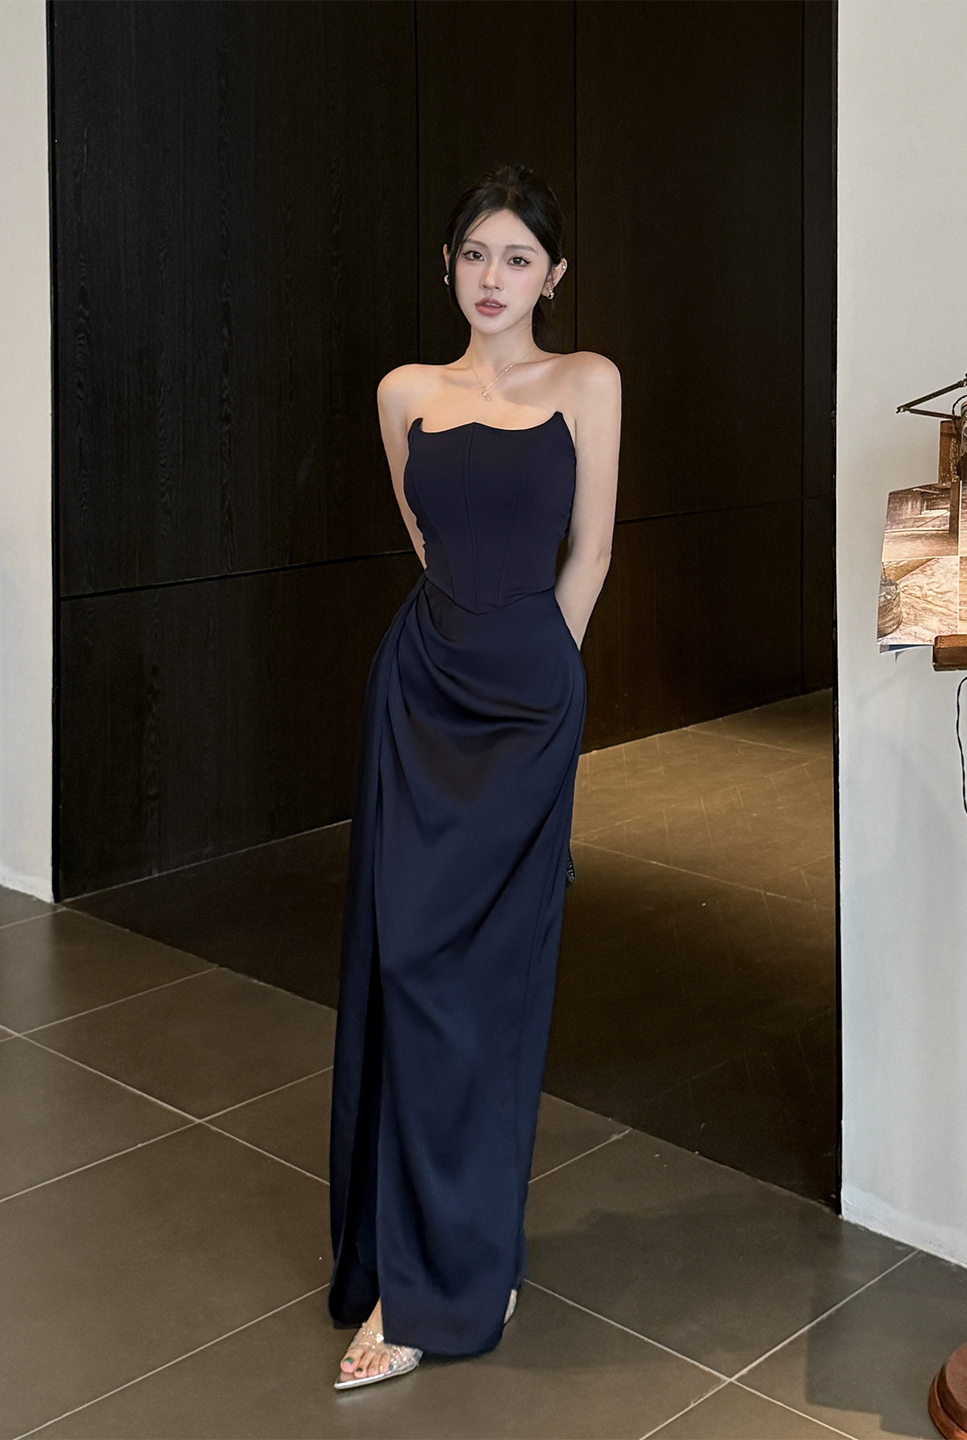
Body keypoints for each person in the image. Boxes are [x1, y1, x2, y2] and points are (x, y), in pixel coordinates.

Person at [326, 162, 621, 1389]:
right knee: (408, 970)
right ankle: (411, 1264)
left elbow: (589, 551)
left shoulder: (589, 382)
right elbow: (425, 538)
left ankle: (464, 1265)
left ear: (553, 275)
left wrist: (549, 684)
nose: (492, 278)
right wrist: (467, 645)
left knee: (495, 987)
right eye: (474, 254)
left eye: (517, 258)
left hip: (529, 705)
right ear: (448, 266)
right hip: (419, 699)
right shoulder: (405, 392)